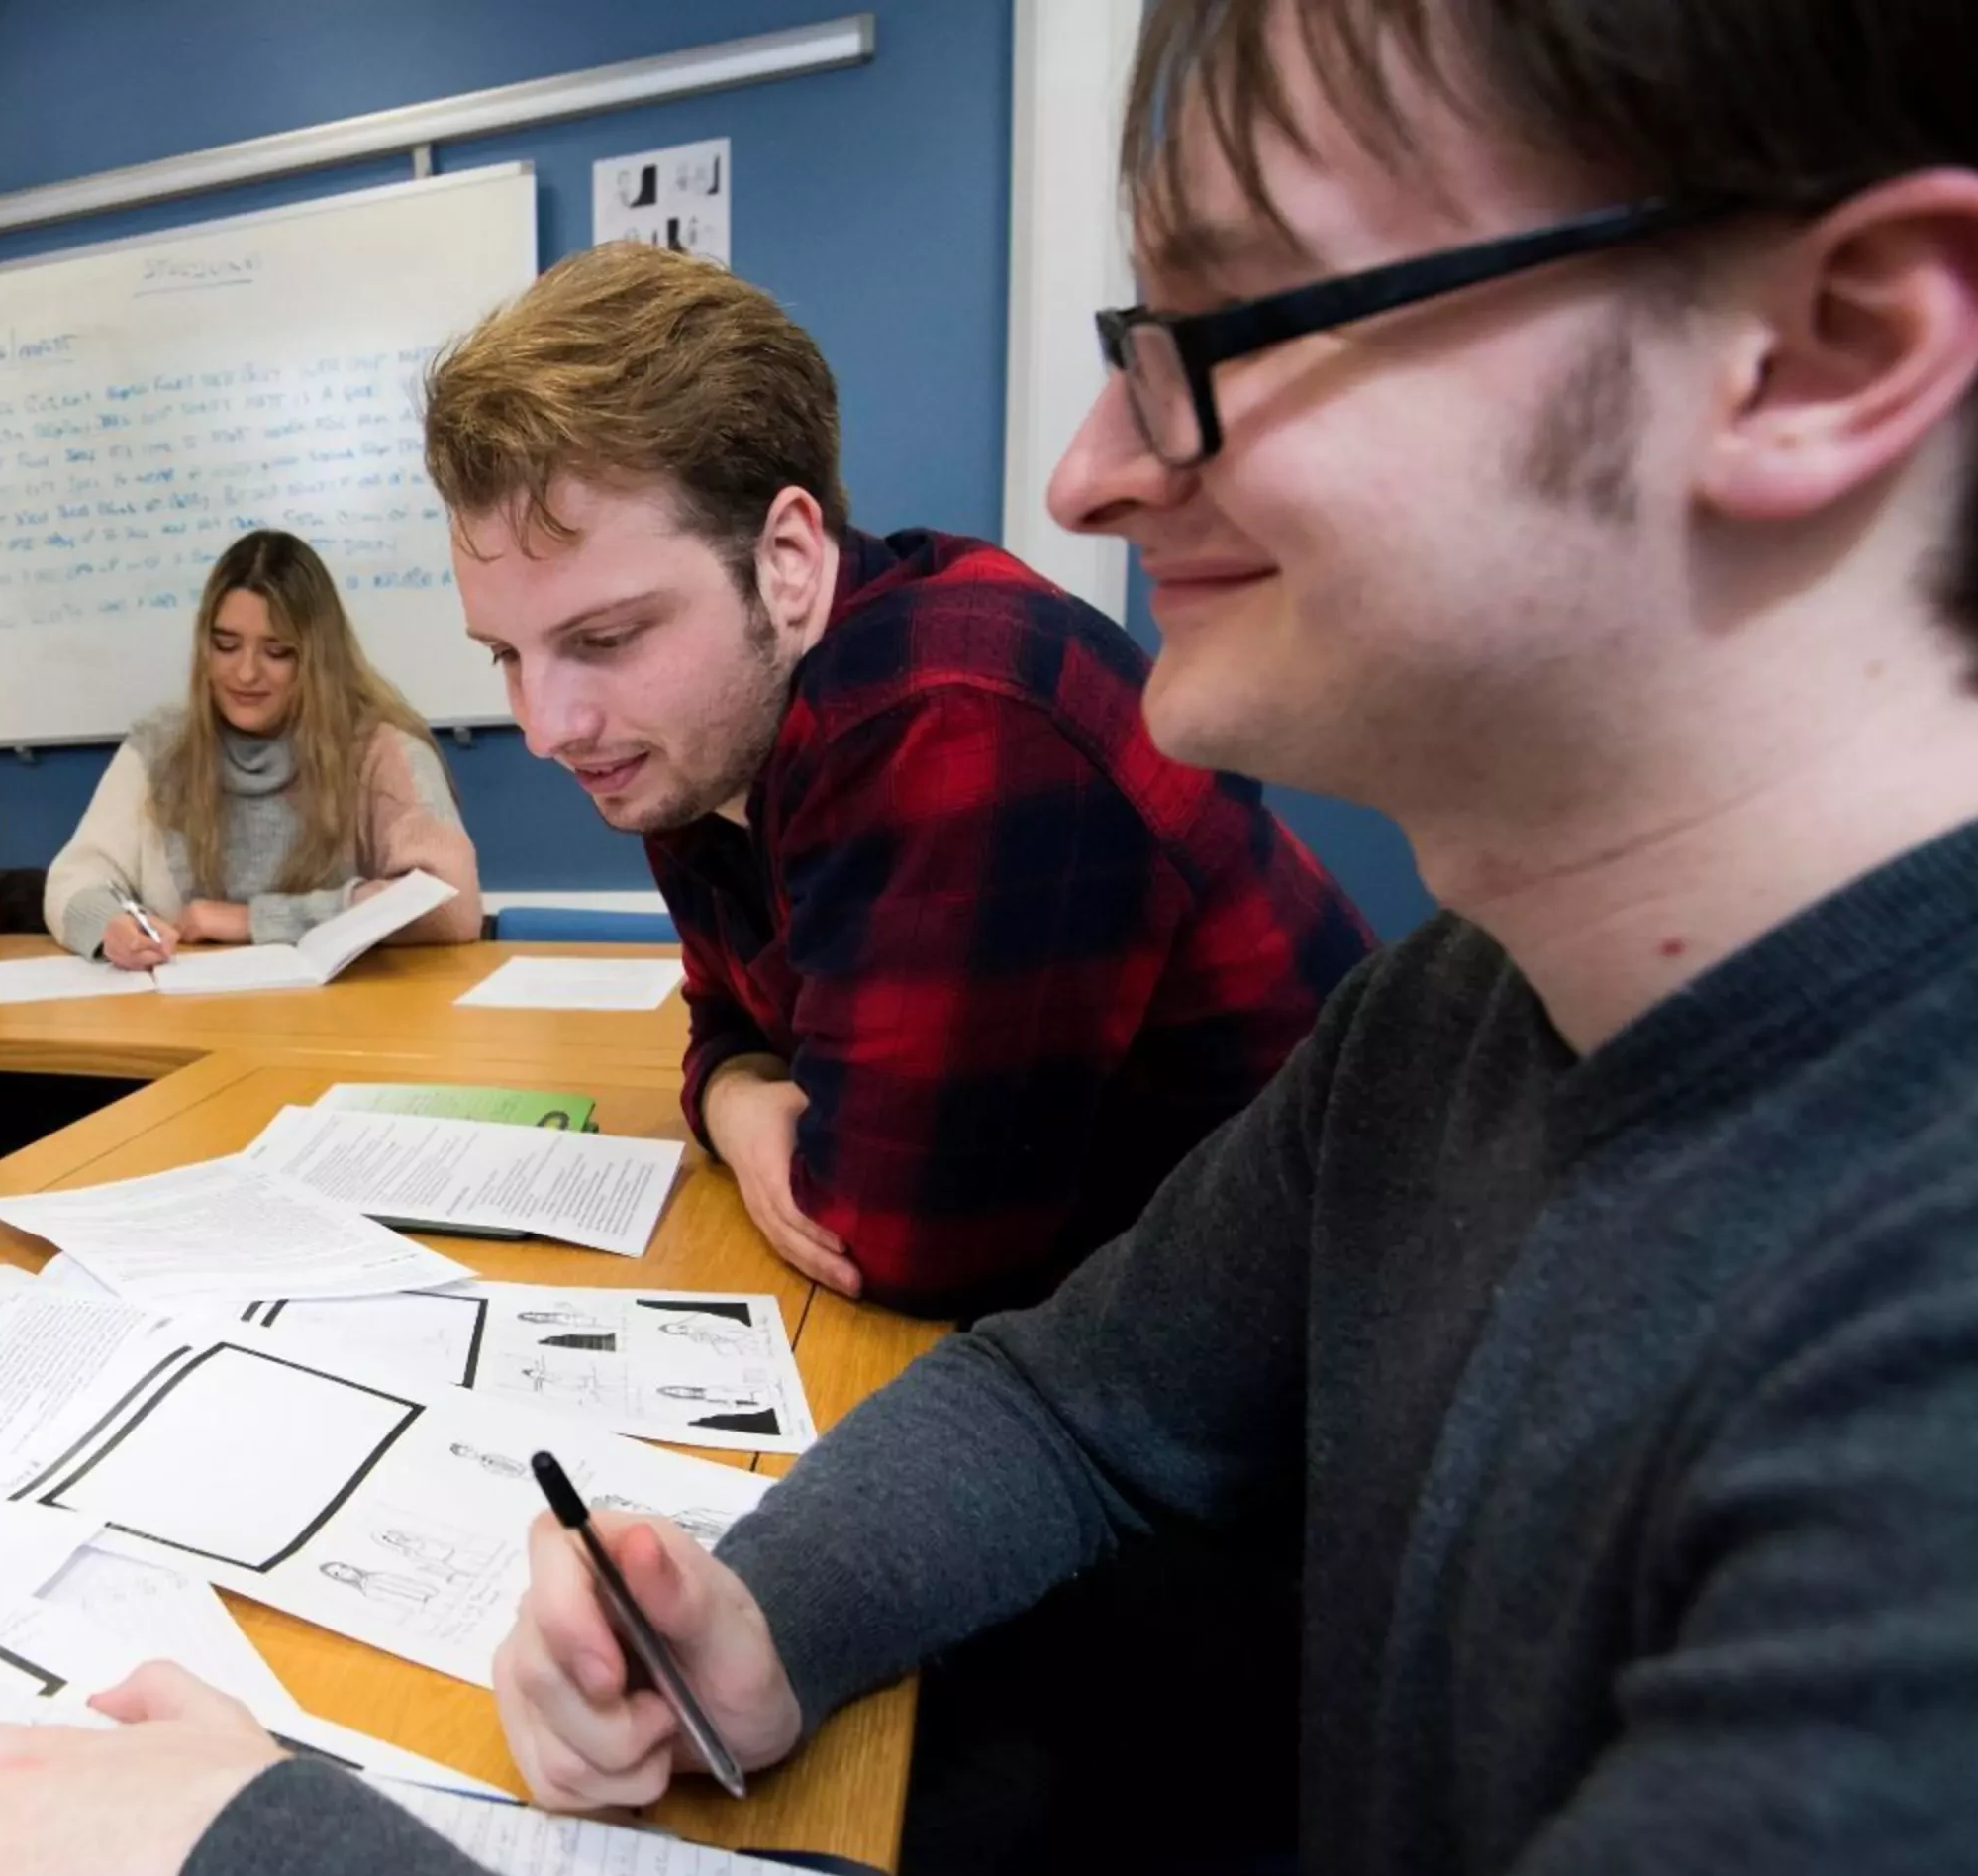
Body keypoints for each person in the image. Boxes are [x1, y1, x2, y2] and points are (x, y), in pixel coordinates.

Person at [0, 1, 1978, 1876]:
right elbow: (1074, 1389)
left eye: (1220, 336)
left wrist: (259, 1862)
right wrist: (770, 1607)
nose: (1091, 466)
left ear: (1818, 352)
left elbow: (891, 1205)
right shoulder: (1467, 1014)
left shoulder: (1930, 1372)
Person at [431, 242, 1372, 1320]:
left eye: (605, 637)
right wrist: (740, 1101)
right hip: (1115, 1334)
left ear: (785, 558)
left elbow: (893, 1240)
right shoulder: (694, 733)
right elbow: (727, 1029)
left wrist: (745, 1099)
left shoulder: (955, 714)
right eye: (505, 656)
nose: (548, 729)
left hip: (1321, 1356)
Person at [45, 530, 482, 968]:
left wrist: (254, 920)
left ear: (316, 658)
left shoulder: (380, 751)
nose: (246, 672)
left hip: (338, 1023)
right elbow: (76, 879)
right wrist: (111, 926)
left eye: (277, 652)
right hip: (188, 1018)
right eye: (226, 646)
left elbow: (451, 905)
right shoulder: (160, 748)